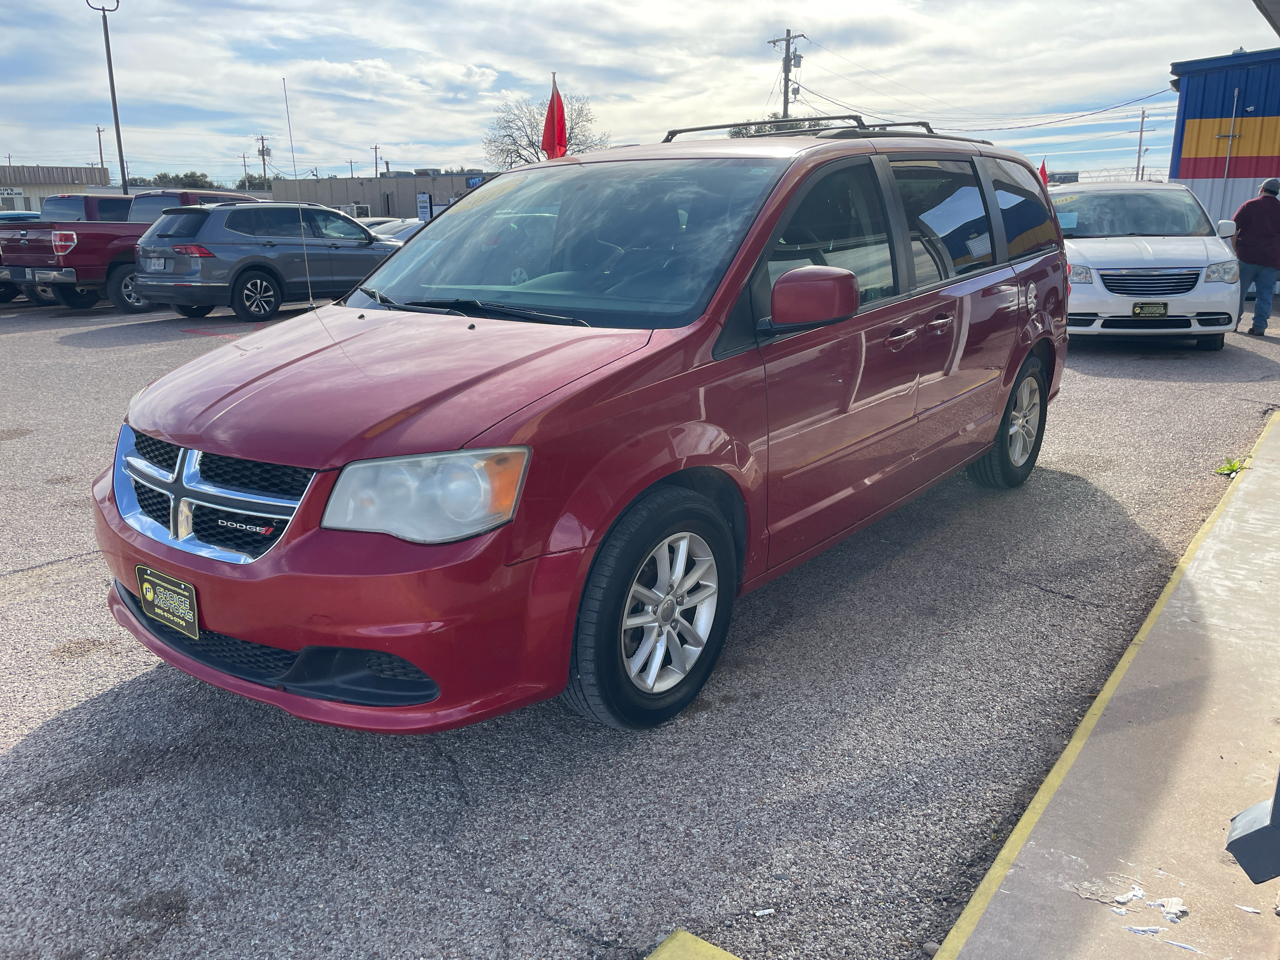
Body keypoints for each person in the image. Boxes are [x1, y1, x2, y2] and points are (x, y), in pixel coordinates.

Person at [1232, 177, 1280, 336]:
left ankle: (1234, 323)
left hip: (1247, 256)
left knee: (1239, 293)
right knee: (1265, 295)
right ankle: (1259, 327)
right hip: (1271, 260)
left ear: (1262, 189)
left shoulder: (1250, 205)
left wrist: (1234, 250)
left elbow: (1233, 228)